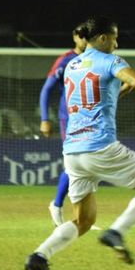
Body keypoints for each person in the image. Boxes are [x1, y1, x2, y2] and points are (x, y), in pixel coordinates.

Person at [25, 16, 135, 270]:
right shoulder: (110, 61)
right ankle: (116, 232)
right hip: (100, 147)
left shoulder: (73, 65)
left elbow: (90, 99)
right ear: (103, 38)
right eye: (115, 38)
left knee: (84, 220)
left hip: (73, 152)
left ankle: (39, 256)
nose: (117, 44)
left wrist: (117, 91)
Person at [39, 23, 88, 227]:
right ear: (75, 37)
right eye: (82, 36)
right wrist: (44, 118)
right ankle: (57, 204)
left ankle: (83, 215)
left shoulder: (94, 59)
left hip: (89, 118)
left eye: (89, 36)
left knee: (86, 164)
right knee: (76, 162)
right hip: (68, 118)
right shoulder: (66, 60)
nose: (86, 39)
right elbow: (47, 89)